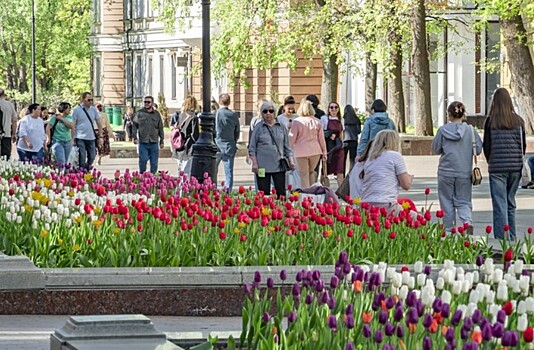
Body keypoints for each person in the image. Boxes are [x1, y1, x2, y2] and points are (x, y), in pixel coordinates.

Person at [432, 101, 482, 234]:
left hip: (445, 172)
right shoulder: (471, 130)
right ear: (463, 114)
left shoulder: (442, 130)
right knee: (464, 200)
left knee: (446, 200)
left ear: (449, 115)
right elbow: (478, 149)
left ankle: (448, 230)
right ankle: (467, 222)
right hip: (464, 172)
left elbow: (436, 149)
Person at [483, 87, 525, 241]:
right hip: (515, 167)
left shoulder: (491, 121)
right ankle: (512, 237)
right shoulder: (519, 121)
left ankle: (502, 239)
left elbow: (486, 146)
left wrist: (491, 161)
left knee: (500, 204)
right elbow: (523, 145)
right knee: (510, 203)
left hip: (497, 168)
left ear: (494, 102)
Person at [360, 130, 414, 216]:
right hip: (386, 204)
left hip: (366, 204)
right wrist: (409, 178)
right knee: (418, 220)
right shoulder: (395, 156)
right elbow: (406, 185)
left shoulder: (370, 158)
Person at [248, 100, 294, 197]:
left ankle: (281, 210)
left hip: (279, 164)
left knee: (281, 192)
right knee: (263, 193)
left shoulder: (281, 126)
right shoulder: (258, 127)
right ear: (261, 113)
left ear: (275, 112)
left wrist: (291, 161)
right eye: (265, 111)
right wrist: (255, 163)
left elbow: (287, 146)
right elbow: (252, 147)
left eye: (271, 111)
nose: (268, 113)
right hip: (262, 166)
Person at [289, 99, 327, 188]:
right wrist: (324, 152)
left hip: (301, 151)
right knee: (311, 172)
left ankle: (306, 194)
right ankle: (312, 192)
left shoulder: (297, 122)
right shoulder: (317, 121)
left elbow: (292, 138)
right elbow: (321, 139)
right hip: (315, 151)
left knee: (303, 174)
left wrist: (288, 150)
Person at [132, 96, 165, 174]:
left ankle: (152, 178)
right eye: (145, 102)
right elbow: (134, 125)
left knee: (154, 163)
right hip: (143, 142)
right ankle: (142, 176)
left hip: (154, 142)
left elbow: (160, 128)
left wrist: (162, 141)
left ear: (152, 103)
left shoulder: (157, 114)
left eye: (148, 102)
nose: (146, 104)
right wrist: (134, 137)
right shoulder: (139, 113)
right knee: (143, 160)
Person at [214, 93, 240, 192]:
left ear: (219, 101)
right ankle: (228, 190)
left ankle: (213, 188)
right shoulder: (233, 115)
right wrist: (234, 140)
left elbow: (213, 130)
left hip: (217, 145)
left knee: (213, 170)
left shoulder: (216, 114)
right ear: (229, 102)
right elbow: (237, 131)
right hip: (229, 146)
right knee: (228, 171)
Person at [71, 92, 103, 168]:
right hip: (80, 137)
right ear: (83, 99)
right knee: (82, 156)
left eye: (92, 100)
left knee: (92, 156)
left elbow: (99, 122)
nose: (90, 101)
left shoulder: (93, 109)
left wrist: (101, 135)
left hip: (91, 137)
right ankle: (82, 172)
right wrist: (72, 138)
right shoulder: (77, 110)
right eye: (89, 100)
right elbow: (73, 124)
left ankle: (87, 168)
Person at [173, 96, 200, 175]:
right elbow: (195, 134)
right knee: (186, 170)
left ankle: (181, 185)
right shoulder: (193, 117)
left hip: (179, 145)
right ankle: (184, 186)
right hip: (188, 146)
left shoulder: (181, 115)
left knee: (181, 169)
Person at [321, 101, 345, 187]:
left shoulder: (341, 120)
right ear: (328, 109)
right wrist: (329, 134)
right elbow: (321, 133)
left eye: (336, 107)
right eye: (331, 107)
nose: (334, 109)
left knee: (340, 170)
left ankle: (341, 191)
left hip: (338, 147)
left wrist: (341, 142)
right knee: (325, 169)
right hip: (329, 147)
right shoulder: (324, 119)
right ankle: (324, 188)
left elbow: (342, 134)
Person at [0, 88, 18, 160]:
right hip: (6, 135)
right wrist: (14, 133)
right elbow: (14, 120)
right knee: (5, 158)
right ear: (4, 95)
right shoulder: (9, 105)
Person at [343, 105, 362, 171]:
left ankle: (342, 174)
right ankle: (351, 173)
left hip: (344, 141)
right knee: (352, 159)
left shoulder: (343, 119)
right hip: (354, 141)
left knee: (343, 159)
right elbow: (359, 131)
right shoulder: (356, 119)